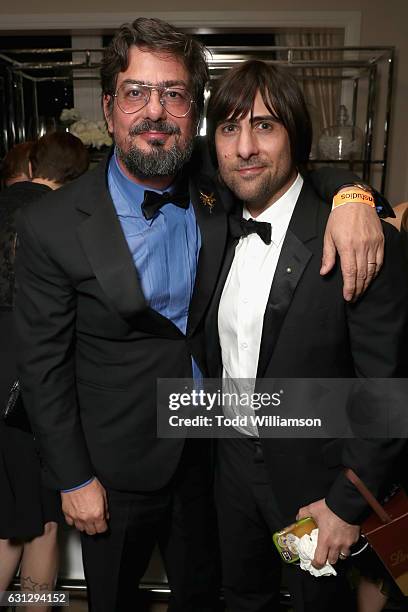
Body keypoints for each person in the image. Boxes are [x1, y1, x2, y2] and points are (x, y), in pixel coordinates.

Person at [14, 18, 390, 612]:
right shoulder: (50, 225)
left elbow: (294, 168)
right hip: (112, 468)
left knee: (216, 595)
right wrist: (73, 477)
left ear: (193, 112)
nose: (154, 112)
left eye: (174, 94)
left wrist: (355, 195)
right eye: (136, 93)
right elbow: (42, 366)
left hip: (213, 455)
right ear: (109, 110)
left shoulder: (217, 188)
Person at [205, 59, 407, 612]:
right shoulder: (211, 222)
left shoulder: (357, 239)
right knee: (243, 598)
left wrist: (348, 502)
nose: (245, 146)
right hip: (230, 468)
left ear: (296, 134)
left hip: (319, 481)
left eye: (265, 126)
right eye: (229, 128)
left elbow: (386, 390)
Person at [0, 132, 89, 612]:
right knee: (41, 522)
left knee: (10, 521)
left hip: (7, 381)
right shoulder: (59, 221)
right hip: (32, 385)